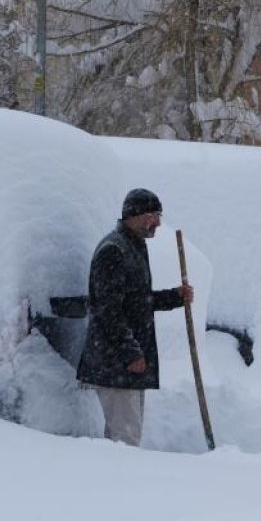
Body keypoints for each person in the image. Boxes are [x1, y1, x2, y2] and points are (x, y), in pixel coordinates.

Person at [77, 188, 194, 447]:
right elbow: (108, 310)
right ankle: (121, 484)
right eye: (154, 215)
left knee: (124, 437)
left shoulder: (133, 246)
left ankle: (116, 481)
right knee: (125, 440)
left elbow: (135, 302)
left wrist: (174, 297)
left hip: (123, 363)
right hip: (115, 362)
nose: (158, 223)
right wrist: (131, 353)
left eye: (159, 215)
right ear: (135, 214)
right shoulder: (113, 251)